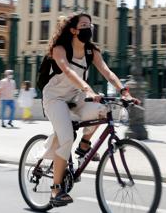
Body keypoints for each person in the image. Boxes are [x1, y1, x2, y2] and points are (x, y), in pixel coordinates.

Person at [42, 13, 138, 207]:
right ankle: (56, 190)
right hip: (55, 98)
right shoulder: (59, 49)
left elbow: (107, 72)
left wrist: (124, 92)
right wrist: (87, 89)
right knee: (66, 136)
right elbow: (67, 71)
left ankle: (84, 144)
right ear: (73, 30)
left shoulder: (90, 51)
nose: (89, 28)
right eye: (84, 25)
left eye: (90, 25)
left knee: (102, 110)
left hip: (76, 97)